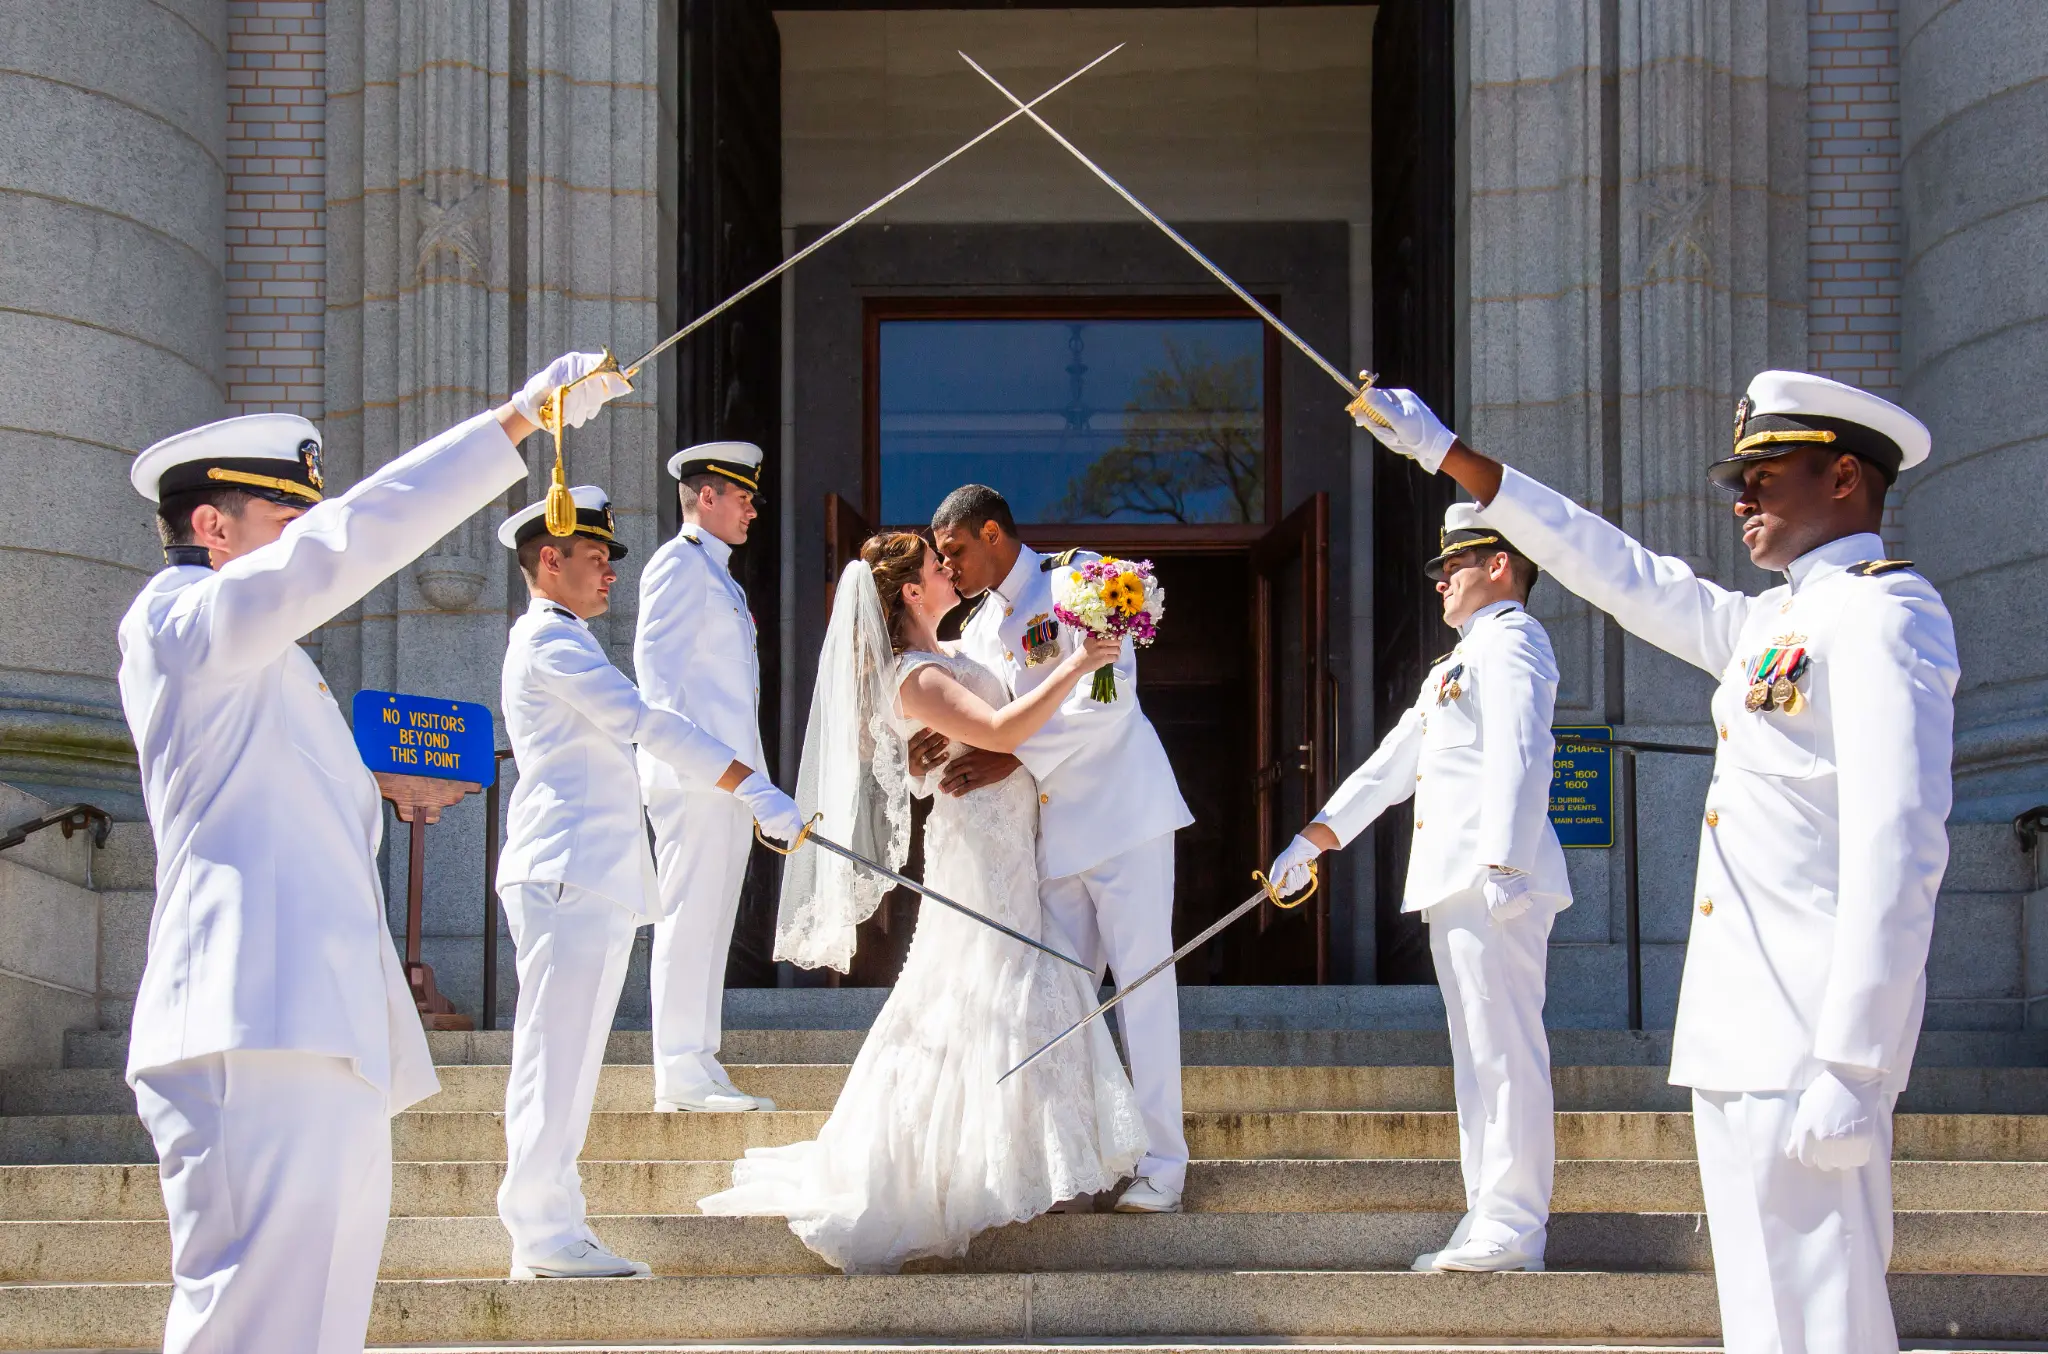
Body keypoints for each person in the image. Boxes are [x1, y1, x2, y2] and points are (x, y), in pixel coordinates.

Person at [1352, 371, 1956, 1352]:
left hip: (1811, 1032)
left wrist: (1858, 1054)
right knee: (1761, 1316)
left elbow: (1901, 837)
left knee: (1826, 1310)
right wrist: (1447, 454)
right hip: (1740, 1030)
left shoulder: (1882, 614)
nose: (1739, 499)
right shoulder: (1769, 624)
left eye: (1763, 475)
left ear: (1843, 476)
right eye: (1740, 479)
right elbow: (1618, 569)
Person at [117, 352, 628, 1353]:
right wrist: (516, 424)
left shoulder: (267, 666)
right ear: (212, 528)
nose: (302, 545)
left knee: (315, 1324)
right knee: (247, 1321)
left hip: (313, 1024)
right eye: (281, 524)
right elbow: (347, 544)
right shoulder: (181, 618)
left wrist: (376, 788)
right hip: (249, 1025)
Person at [698, 533, 1146, 1272]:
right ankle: (994, 1170)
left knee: (1007, 988)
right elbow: (1000, 729)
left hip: (1008, 838)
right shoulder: (914, 674)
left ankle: (1035, 1162)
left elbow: (977, 730)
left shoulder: (957, 649)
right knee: (989, 988)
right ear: (911, 590)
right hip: (979, 851)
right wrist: (1081, 663)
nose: (951, 571)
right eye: (940, 566)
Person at [493, 484, 802, 1279]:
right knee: (553, 1058)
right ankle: (540, 1231)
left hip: (585, 872)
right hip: (566, 869)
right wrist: (753, 788)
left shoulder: (570, 638)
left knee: (570, 1058)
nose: (609, 576)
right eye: (595, 560)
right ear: (549, 560)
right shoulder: (550, 643)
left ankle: (556, 1225)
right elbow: (646, 720)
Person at [1267, 502, 1571, 1273]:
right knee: (1477, 1059)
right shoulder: (1452, 666)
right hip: (1458, 883)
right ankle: (1490, 1219)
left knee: (1504, 1053)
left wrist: (1506, 861)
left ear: (1499, 566)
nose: (1439, 581)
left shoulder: (1514, 641)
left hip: (1493, 879)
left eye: (1453, 566)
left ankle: (1515, 1227)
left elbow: (1525, 750)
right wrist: (1313, 838)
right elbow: (1390, 768)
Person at [918, 484, 1195, 1213]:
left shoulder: (1077, 580)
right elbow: (983, 715)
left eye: (956, 553)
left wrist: (1013, 757)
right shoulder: (979, 628)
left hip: (1123, 817)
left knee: (1141, 987)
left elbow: (1110, 701)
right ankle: (1082, 1161)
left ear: (990, 532)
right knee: (1061, 999)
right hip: (1050, 838)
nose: (951, 569)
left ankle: (1164, 1164)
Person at [637, 441, 776, 1112]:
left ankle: (699, 1060)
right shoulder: (677, 566)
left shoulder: (721, 577)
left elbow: (730, 700)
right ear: (708, 497)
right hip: (696, 781)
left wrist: (755, 784)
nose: (753, 508)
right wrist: (735, 780)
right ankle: (678, 1072)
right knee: (690, 918)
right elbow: (659, 694)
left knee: (713, 920)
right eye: (743, 496)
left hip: (728, 782)